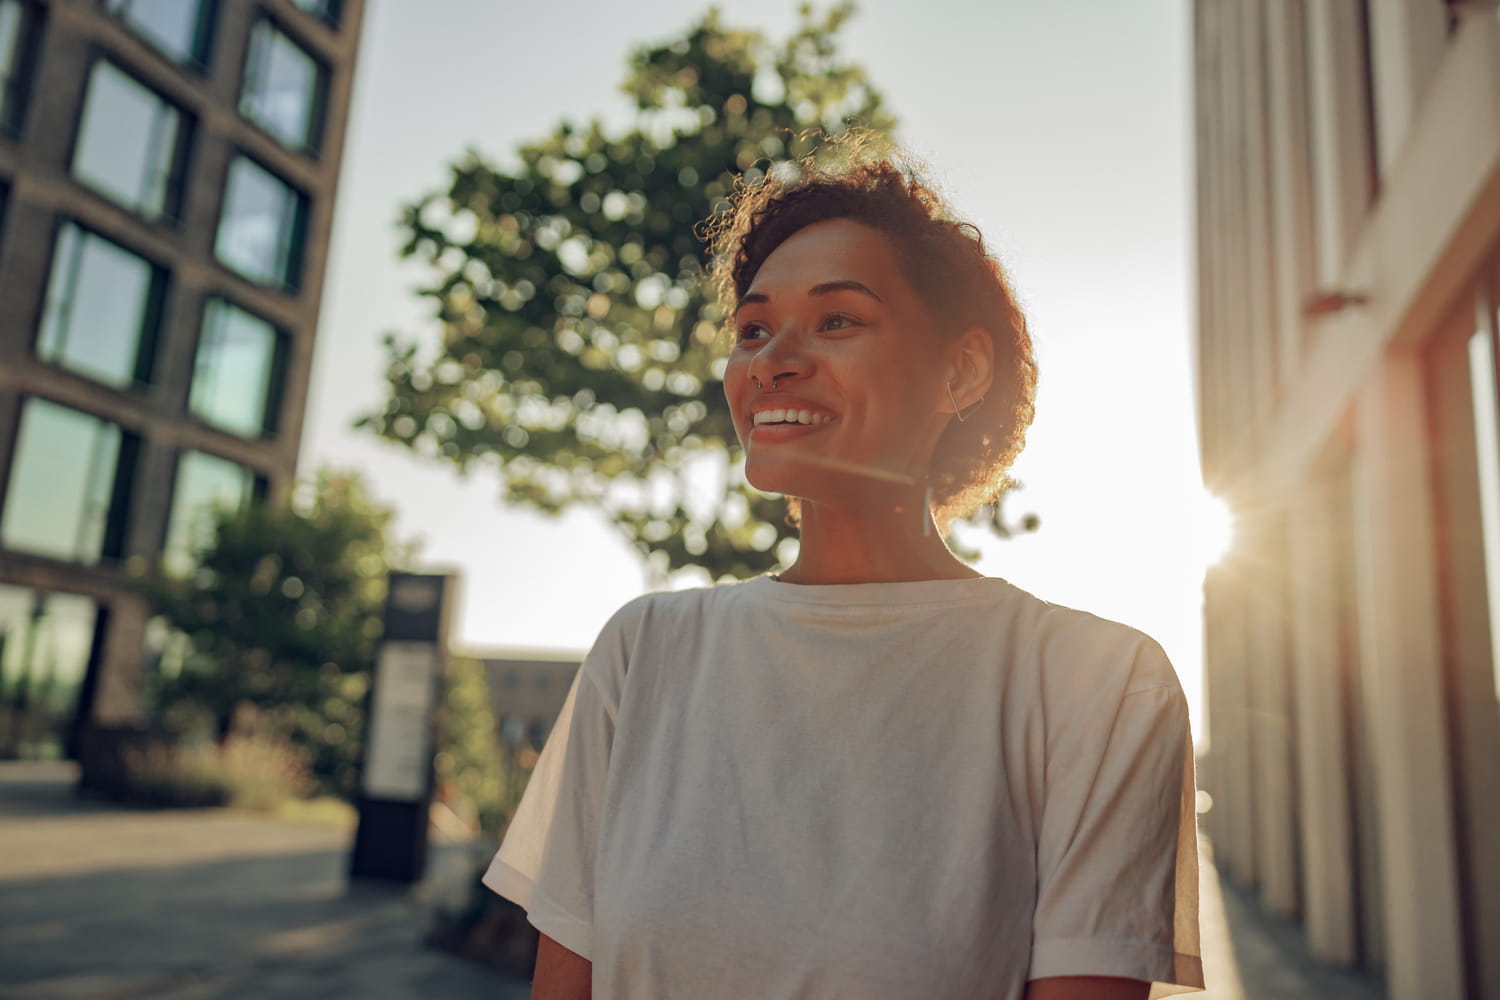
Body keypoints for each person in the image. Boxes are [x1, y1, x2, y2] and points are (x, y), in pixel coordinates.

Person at [483, 141, 1204, 1000]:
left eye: (837, 321)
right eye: (753, 330)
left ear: (962, 369)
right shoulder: (644, 653)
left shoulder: (1101, 684)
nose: (773, 360)